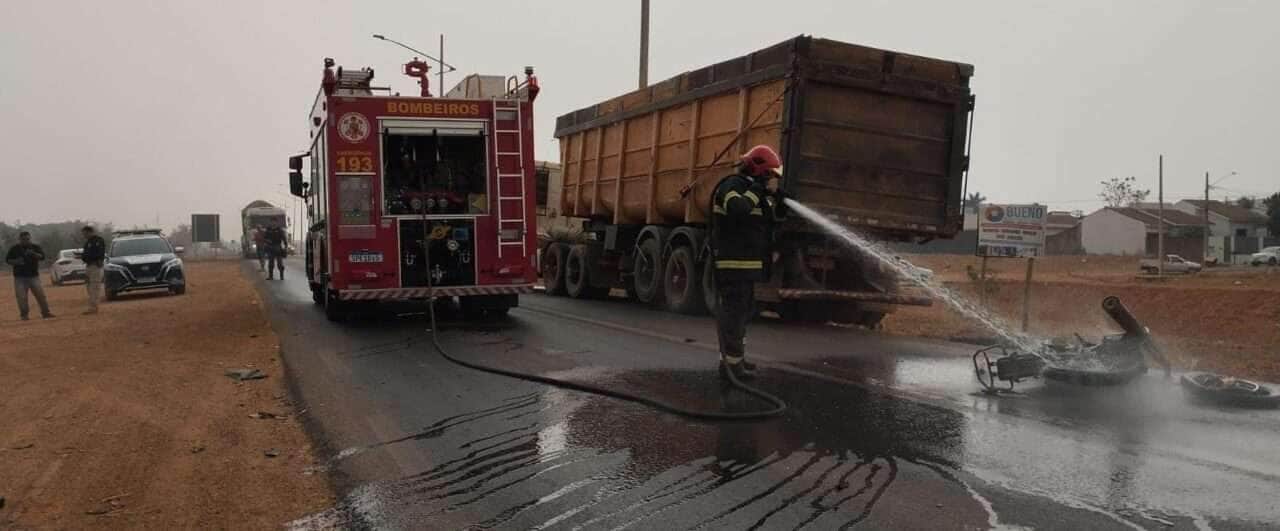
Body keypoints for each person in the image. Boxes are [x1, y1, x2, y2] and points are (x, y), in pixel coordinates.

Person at [709, 145, 786, 381]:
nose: (772, 180)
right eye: (770, 175)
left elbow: (767, 224)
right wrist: (758, 189)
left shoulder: (755, 192)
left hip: (747, 267)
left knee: (742, 315)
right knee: (734, 316)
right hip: (733, 265)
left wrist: (778, 202)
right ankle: (731, 367)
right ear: (759, 170)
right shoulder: (732, 186)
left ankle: (736, 360)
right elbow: (738, 210)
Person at [5, 231, 54, 320]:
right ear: (19, 239)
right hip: (19, 277)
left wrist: (33, 254)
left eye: (27, 239)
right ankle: (24, 315)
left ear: (30, 238)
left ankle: (45, 312)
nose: (26, 241)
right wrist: (16, 261)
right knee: (21, 297)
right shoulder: (14, 248)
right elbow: (8, 260)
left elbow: (42, 257)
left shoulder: (35, 247)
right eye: (23, 239)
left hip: (33, 276)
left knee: (40, 295)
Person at [80, 226, 107, 315]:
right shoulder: (87, 242)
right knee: (89, 287)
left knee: (95, 287)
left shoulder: (98, 241)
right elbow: (85, 255)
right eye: (83, 234)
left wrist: (89, 257)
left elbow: (99, 253)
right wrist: (83, 256)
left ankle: (93, 307)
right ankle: (92, 305)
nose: (84, 235)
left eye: (85, 233)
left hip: (96, 266)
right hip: (89, 266)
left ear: (90, 232)